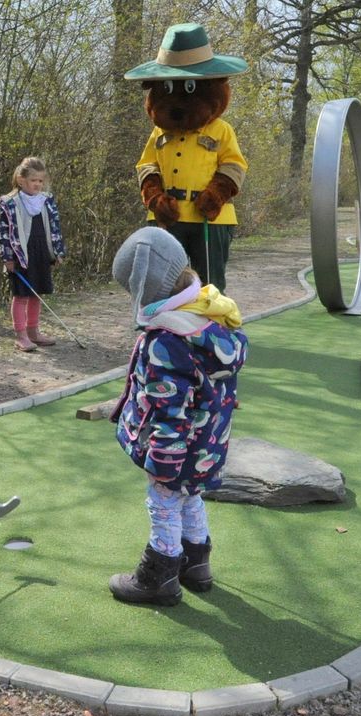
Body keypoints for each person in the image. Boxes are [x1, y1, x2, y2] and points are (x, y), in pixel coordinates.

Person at [107, 227, 247, 606]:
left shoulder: (167, 341)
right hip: (206, 446)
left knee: (164, 500)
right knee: (190, 495)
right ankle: (196, 563)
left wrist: (164, 462)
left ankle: (160, 576)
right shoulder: (208, 316)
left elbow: (170, 411)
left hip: (177, 449)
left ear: (146, 289)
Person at [0, 157, 67, 351]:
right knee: (21, 295)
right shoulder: (9, 203)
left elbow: (54, 227)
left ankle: (33, 331)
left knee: (36, 293)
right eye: (33, 180)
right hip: (21, 255)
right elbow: (3, 233)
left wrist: (58, 251)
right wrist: (7, 257)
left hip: (41, 252)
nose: (37, 184)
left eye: (40, 180)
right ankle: (21, 335)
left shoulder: (46, 200)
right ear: (21, 180)